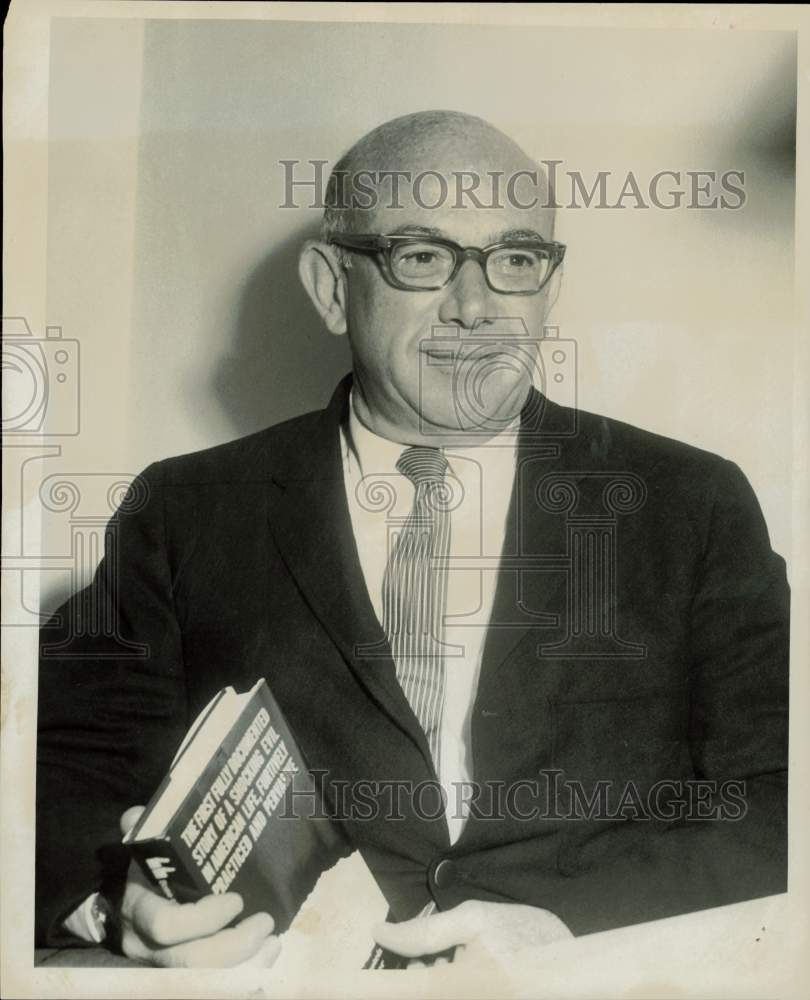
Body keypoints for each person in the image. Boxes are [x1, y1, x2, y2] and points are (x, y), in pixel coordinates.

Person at [36, 110, 789, 969]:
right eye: (422, 257)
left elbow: (777, 793)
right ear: (330, 286)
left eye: (514, 260)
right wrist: (110, 904)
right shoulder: (185, 508)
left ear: (549, 286)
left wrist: (568, 926)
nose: (475, 308)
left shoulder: (691, 504)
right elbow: (54, 770)